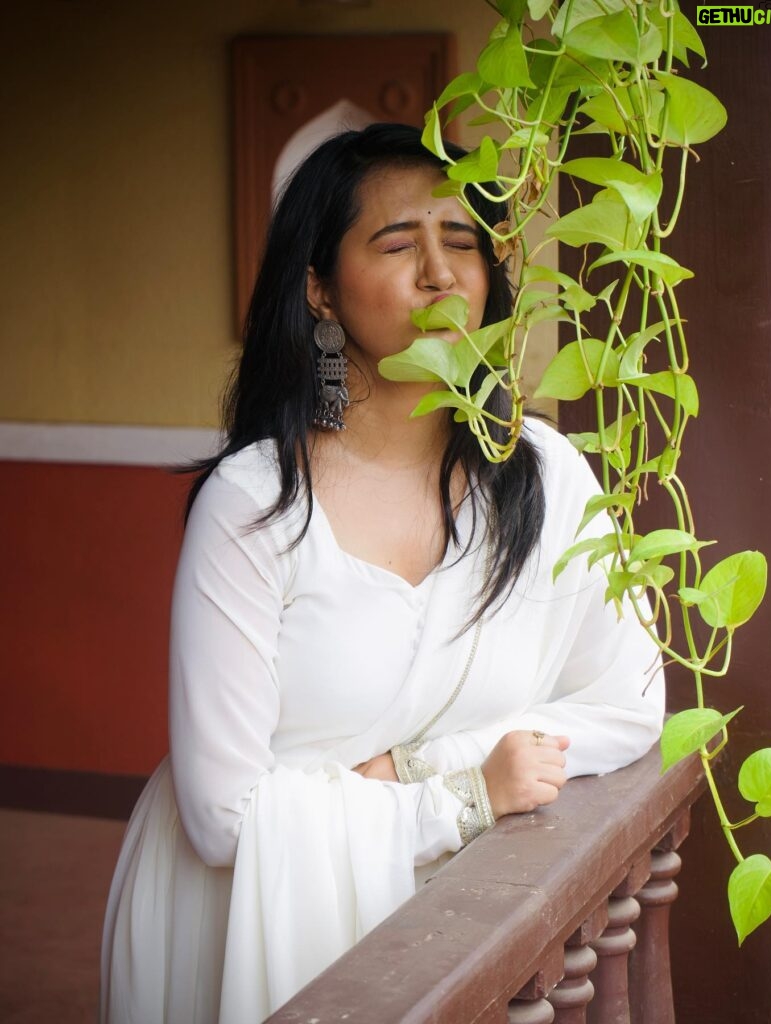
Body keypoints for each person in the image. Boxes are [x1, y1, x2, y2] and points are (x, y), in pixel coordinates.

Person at [100, 123, 664, 1024]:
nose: (440, 273)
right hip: (247, 920)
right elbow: (222, 820)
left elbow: (630, 702)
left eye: (463, 241)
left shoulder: (545, 476)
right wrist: (464, 800)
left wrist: (418, 767)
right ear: (319, 290)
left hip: (460, 917)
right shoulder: (255, 507)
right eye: (398, 244)